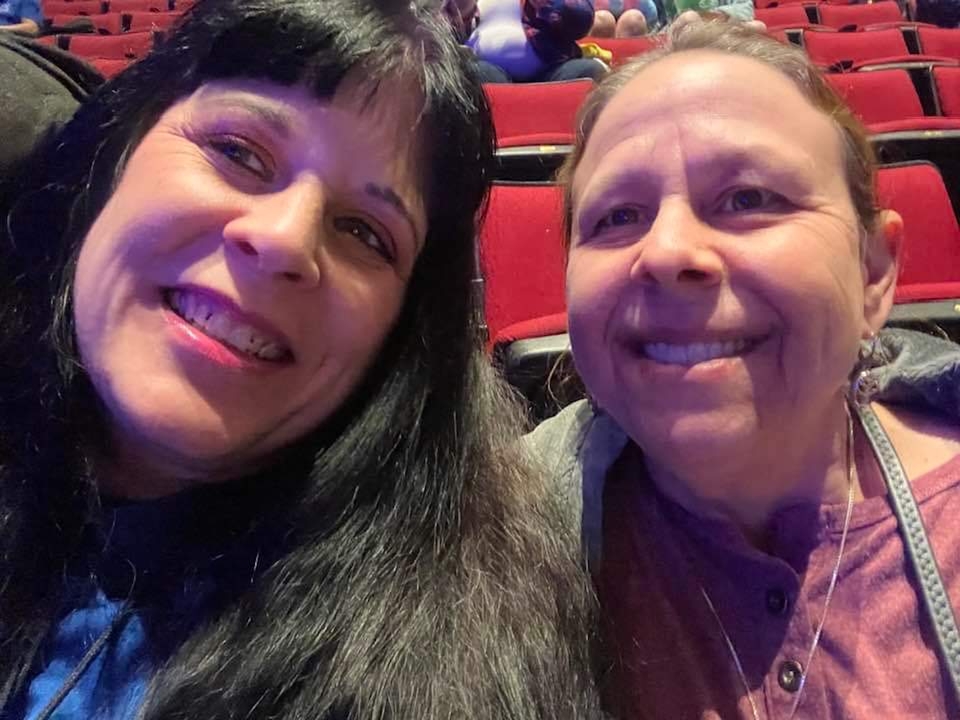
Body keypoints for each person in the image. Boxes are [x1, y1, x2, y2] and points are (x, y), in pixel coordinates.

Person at [0, 0, 604, 717]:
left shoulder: (435, 675)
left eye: (365, 232)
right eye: (238, 152)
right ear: (116, 152)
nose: (286, 239)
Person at [529, 19, 960, 720]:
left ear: (874, 273)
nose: (668, 251)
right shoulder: (470, 556)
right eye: (618, 216)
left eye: (749, 198)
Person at [464, 0, 608, 83]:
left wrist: (551, 6)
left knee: (591, 69)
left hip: (547, 69)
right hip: (493, 68)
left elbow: (582, 17)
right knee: (478, 71)